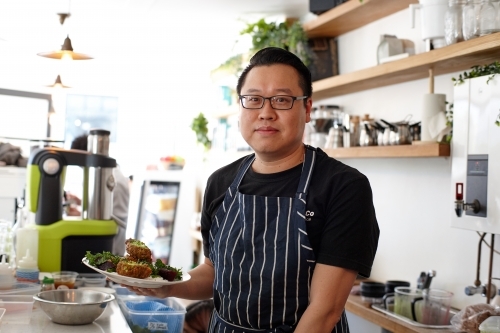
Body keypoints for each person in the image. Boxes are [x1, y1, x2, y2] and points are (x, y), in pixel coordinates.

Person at [126, 47, 380, 333]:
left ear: (307, 109)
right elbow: (213, 273)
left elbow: (324, 312)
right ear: (240, 108)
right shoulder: (221, 182)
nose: (266, 113)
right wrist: (166, 286)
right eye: (253, 100)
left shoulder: (343, 187)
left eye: (282, 100)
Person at [66, 133, 130, 256]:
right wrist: (80, 202)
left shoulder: (115, 180)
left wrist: (79, 213)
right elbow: (103, 206)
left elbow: (115, 218)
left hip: (113, 248)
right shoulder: (101, 176)